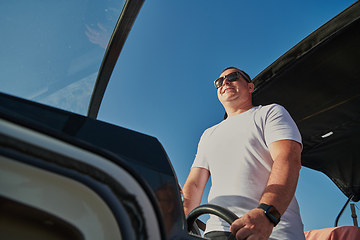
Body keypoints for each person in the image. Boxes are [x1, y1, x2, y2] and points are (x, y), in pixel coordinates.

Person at [182, 67, 305, 240]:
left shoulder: (270, 113)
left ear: (250, 87)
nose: (225, 82)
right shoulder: (208, 134)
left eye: (233, 77)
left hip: (272, 231)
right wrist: (178, 226)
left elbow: (288, 159)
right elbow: (195, 183)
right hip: (216, 232)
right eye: (219, 81)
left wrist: (267, 214)